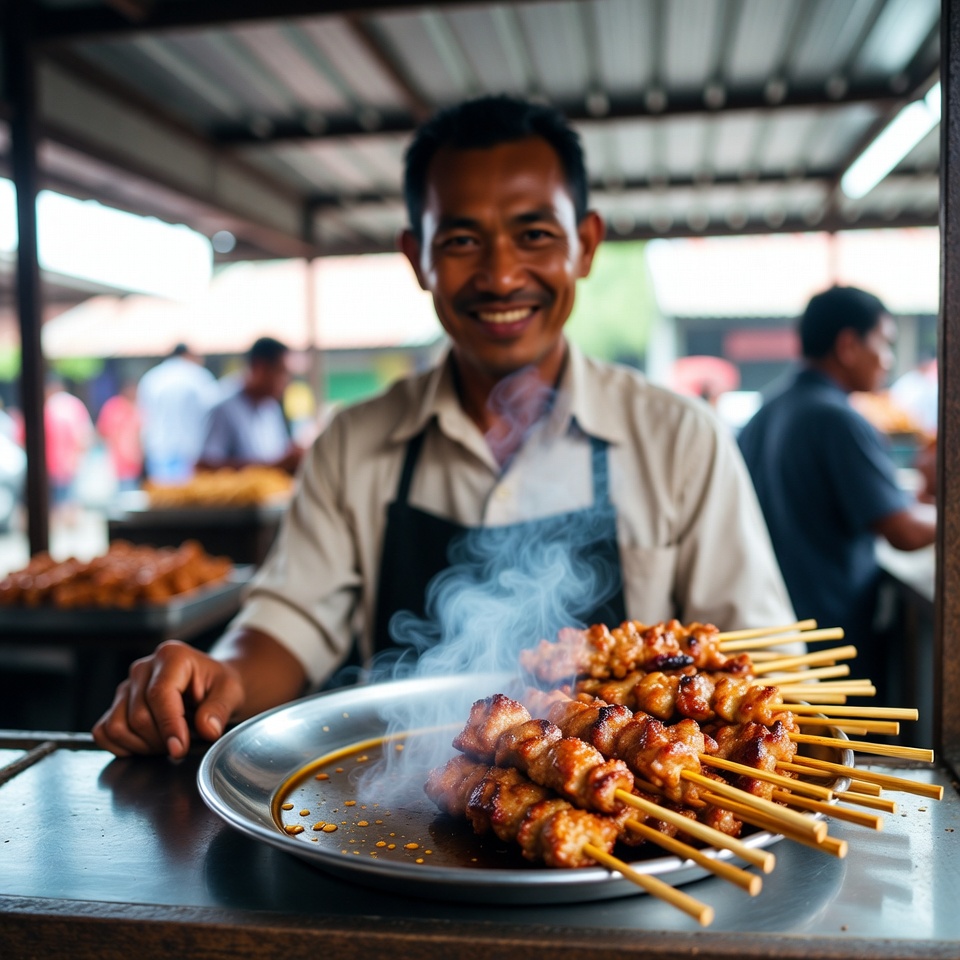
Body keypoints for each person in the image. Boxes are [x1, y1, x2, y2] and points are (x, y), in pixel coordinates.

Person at [93, 94, 795, 759]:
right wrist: (221, 674)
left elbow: (763, 665)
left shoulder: (680, 439)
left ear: (584, 245)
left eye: (534, 235)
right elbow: (289, 622)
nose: (499, 274)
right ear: (416, 257)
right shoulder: (355, 444)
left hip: (634, 846)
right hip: (400, 824)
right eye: (461, 239)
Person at [737, 286, 936, 688]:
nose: (889, 359)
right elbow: (904, 531)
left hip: (771, 626)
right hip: (830, 635)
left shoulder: (769, 408)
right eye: (884, 343)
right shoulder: (838, 419)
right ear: (848, 345)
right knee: (847, 746)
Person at [195, 336, 303, 475]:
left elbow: (277, 455)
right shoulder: (222, 407)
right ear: (260, 368)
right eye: (282, 373)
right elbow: (203, 467)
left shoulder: (271, 408)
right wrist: (272, 466)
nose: (287, 382)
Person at [137, 343, 219, 483]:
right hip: (191, 450)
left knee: (164, 499)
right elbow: (212, 412)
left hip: (159, 449)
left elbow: (144, 415)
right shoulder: (199, 376)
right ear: (188, 355)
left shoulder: (152, 378)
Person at [44, 378, 95, 523]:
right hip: (66, 463)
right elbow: (85, 435)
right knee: (67, 500)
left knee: (61, 501)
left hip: (56, 464)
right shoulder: (72, 405)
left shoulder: (52, 406)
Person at [96, 381, 143, 492]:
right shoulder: (114, 407)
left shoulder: (136, 408)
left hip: (133, 464)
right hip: (115, 464)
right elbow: (103, 431)